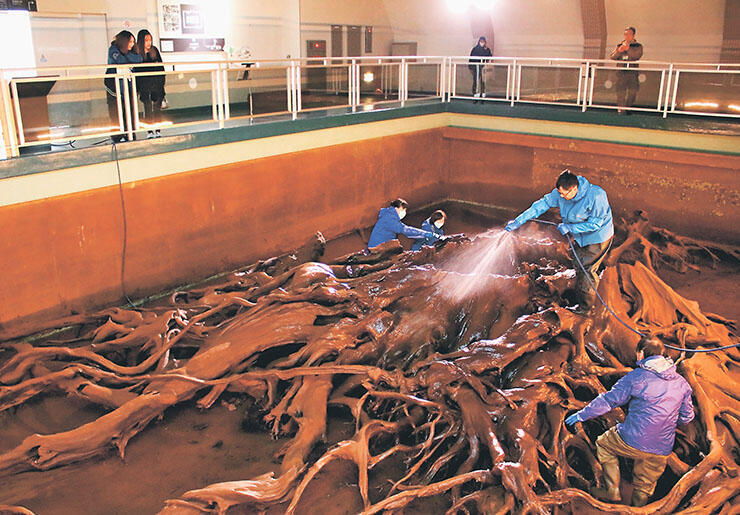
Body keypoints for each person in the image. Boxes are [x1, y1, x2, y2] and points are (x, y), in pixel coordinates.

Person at [565, 336, 694, 506]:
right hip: (662, 448)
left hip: (632, 440)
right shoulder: (681, 383)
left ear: (641, 353)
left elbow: (608, 401)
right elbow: (687, 417)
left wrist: (581, 415)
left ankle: (612, 490)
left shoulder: (636, 377)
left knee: (603, 444)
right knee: (645, 485)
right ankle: (637, 508)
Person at [504, 170, 613, 312]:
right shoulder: (562, 193)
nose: (561, 196)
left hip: (597, 237)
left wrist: (570, 227)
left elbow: (596, 224)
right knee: (578, 264)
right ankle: (586, 288)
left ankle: (586, 309)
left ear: (574, 189)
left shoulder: (597, 196)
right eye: (559, 193)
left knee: (586, 270)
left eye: (564, 194)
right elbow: (540, 205)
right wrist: (518, 221)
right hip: (579, 236)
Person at [105, 31, 143, 142]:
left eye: (133, 42)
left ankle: (129, 133)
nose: (132, 44)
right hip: (115, 87)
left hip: (129, 86)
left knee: (130, 110)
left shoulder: (131, 52)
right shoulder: (112, 49)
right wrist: (127, 56)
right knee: (116, 111)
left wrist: (126, 55)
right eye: (130, 42)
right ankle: (117, 135)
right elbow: (120, 60)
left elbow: (139, 59)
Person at [367, 199, 438, 249]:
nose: (404, 213)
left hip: (377, 248)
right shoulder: (390, 219)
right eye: (404, 210)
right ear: (398, 208)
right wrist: (426, 234)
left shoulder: (387, 215)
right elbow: (406, 230)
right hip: (377, 249)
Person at [134, 29, 166, 139]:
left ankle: (158, 130)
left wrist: (162, 83)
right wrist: (137, 88)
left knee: (157, 108)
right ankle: (149, 131)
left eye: (150, 40)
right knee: (147, 108)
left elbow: (161, 67)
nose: (149, 43)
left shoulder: (154, 51)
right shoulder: (137, 53)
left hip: (156, 85)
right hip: (145, 86)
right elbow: (137, 72)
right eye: (146, 40)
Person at [609, 26, 643, 114]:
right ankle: (621, 110)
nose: (627, 36)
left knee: (633, 92)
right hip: (621, 73)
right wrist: (619, 51)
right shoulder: (619, 45)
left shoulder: (638, 46)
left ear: (633, 35)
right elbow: (612, 57)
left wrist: (628, 49)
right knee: (620, 92)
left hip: (632, 73)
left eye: (629, 34)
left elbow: (636, 56)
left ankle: (628, 108)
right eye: (625, 34)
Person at [468, 36, 492, 101]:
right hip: (476, 67)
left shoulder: (487, 49)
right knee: (476, 80)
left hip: (484, 67)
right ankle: (476, 93)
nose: (482, 43)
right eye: (481, 41)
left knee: (483, 80)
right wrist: (471, 67)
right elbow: (471, 59)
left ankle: (483, 92)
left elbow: (490, 57)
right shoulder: (475, 49)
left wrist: (486, 63)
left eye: (483, 42)